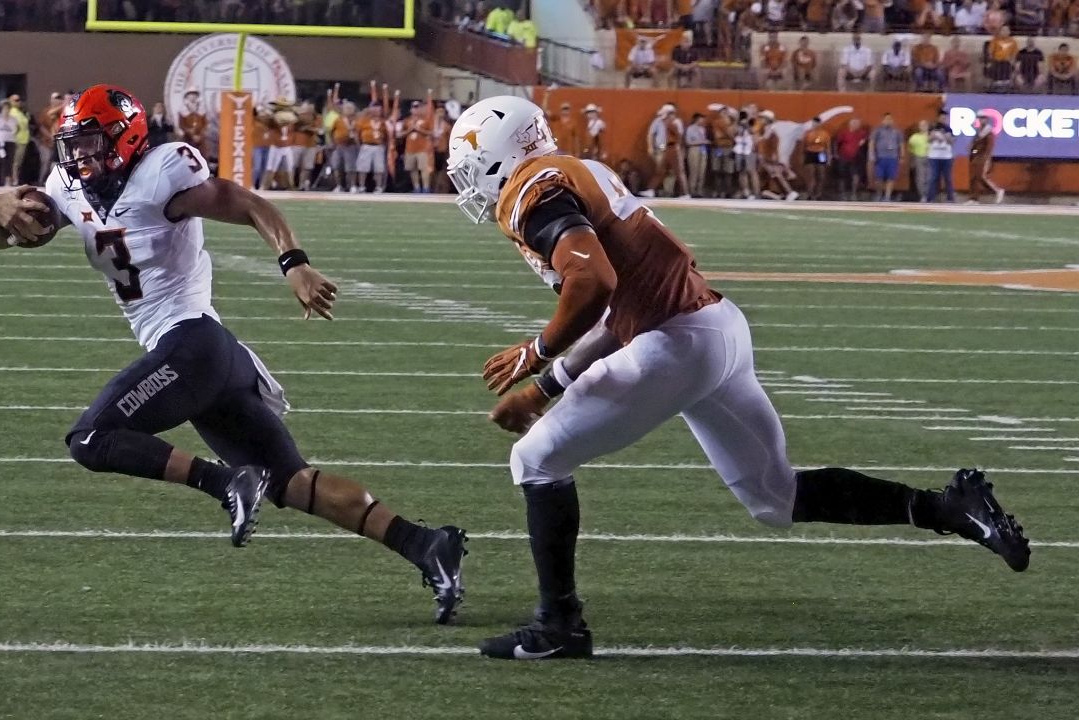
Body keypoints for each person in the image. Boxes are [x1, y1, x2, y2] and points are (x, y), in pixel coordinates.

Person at [441, 95, 1030, 660]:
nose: (471, 184)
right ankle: (948, 508)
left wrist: (537, 353)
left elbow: (594, 286)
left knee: (536, 459)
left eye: (471, 167)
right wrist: (545, 387)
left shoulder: (533, 187)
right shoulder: (582, 172)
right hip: (715, 330)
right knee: (775, 496)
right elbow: (617, 311)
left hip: (672, 345)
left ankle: (559, 624)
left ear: (498, 155)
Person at [0, 85, 468, 625]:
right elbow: (8, 237)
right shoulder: (69, 185)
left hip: (193, 344)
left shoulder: (163, 173)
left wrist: (294, 263)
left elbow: (249, 204)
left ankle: (226, 482)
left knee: (92, 439)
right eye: (74, 145)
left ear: (127, 136)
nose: (80, 157)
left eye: (93, 143)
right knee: (293, 483)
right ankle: (426, 543)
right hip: (205, 357)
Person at [967, 110, 1005, 204]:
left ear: (986, 119)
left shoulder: (988, 132)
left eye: (983, 118)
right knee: (974, 177)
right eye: (980, 118)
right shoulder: (978, 132)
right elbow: (974, 146)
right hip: (976, 157)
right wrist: (973, 152)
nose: (981, 120)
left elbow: (989, 147)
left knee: (981, 177)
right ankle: (973, 198)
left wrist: (985, 157)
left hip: (983, 157)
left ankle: (997, 190)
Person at [402, 97, 436, 193]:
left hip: (422, 148)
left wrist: (419, 130)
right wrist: (410, 130)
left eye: (417, 107)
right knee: (413, 169)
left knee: (424, 169)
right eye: (414, 107)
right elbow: (400, 134)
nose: (415, 109)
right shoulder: (407, 120)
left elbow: (432, 133)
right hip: (410, 148)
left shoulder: (426, 120)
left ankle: (426, 187)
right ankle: (416, 187)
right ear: (411, 109)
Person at [868, 112, 904, 201]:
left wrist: (902, 156)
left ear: (892, 121)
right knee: (878, 178)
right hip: (880, 157)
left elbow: (901, 144)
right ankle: (879, 194)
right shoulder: (877, 131)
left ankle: (887, 196)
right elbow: (872, 143)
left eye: (890, 119)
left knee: (891, 178)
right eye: (886, 119)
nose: (888, 121)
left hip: (893, 157)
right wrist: (872, 155)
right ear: (883, 121)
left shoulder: (897, 132)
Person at [354, 103, 388, 193]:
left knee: (379, 167)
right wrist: (359, 145)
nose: (376, 112)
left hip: (378, 146)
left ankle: (378, 187)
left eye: (378, 110)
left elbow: (387, 134)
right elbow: (357, 133)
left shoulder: (383, 121)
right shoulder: (364, 120)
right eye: (374, 109)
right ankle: (362, 186)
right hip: (366, 145)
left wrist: (385, 144)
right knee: (362, 167)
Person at [833, 117, 869, 201]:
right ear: (850, 124)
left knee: (856, 176)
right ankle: (843, 194)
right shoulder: (843, 133)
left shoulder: (863, 133)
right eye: (855, 123)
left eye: (858, 124)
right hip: (844, 158)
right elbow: (836, 143)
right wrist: (835, 154)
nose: (857, 125)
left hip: (857, 159)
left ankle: (854, 194)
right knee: (843, 176)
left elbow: (866, 144)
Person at [37, 92, 66, 184]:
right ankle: (41, 180)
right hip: (46, 141)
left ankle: (51, 180)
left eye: (59, 98)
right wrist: (49, 136)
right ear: (51, 99)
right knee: (46, 161)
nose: (58, 100)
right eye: (56, 98)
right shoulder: (47, 111)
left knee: (56, 161)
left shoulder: (62, 111)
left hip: (58, 140)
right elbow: (41, 126)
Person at [927, 111, 955, 202]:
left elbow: (952, 142)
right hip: (934, 156)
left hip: (946, 157)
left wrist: (946, 137)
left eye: (945, 118)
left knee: (947, 178)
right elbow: (928, 140)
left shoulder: (949, 129)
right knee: (934, 177)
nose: (943, 119)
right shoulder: (932, 127)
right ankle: (931, 198)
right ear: (938, 118)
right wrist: (934, 136)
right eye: (942, 118)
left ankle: (950, 198)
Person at [802, 116, 831, 200]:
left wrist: (828, 158)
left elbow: (828, 147)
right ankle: (810, 193)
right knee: (811, 175)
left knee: (821, 175)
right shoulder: (807, 133)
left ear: (820, 124)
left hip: (821, 154)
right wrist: (803, 157)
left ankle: (819, 194)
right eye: (814, 123)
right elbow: (803, 146)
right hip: (810, 153)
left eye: (817, 123)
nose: (815, 125)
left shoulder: (824, 134)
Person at [0, 99, 18, 186]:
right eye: (4, 108)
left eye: (7, 108)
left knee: (9, 161)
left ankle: (7, 181)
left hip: (10, 141)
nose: (6, 110)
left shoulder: (13, 119)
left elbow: (17, 129)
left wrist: (14, 135)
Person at [684, 112, 710, 197]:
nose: (703, 121)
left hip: (703, 151)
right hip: (694, 150)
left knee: (701, 171)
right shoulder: (690, 129)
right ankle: (692, 190)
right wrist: (701, 142)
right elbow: (688, 142)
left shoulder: (703, 129)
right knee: (694, 171)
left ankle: (699, 190)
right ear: (696, 119)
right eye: (701, 119)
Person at [9, 94, 30, 185]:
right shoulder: (11, 112)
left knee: (19, 162)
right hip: (16, 140)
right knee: (15, 161)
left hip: (23, 140)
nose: (18, 102)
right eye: (16, 100)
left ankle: (15, 178)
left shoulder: (21, 112)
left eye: (19, 100)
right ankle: (14, 179)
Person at [908, 119, 930, 202]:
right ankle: (923, 195)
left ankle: (929, 195)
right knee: (920, 178)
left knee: (929, 177)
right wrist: (913, 158)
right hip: (919, 157)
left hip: (930, 158)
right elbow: (910, 148)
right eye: (921, 125)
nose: (923, 127)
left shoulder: (931, 136)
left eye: (925, 125)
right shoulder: (915, 137)